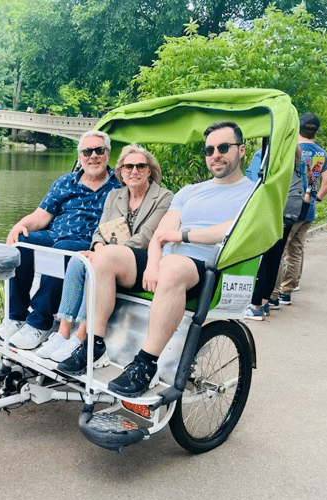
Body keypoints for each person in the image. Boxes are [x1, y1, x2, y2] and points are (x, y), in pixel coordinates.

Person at [57, 121, 256, 397]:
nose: (215, 155)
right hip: (166, 258)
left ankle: (145, 364)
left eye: (223, 148)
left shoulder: (253, 193)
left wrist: (183, 236)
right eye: (209, 149)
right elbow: (161, 235)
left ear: (241, 150)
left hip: (208, 265)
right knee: (105, 257)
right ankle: (94, 345)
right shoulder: (189, 192)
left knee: (173, 265)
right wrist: (152, 264)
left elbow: (232, 229)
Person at [0, 131, 120, 381]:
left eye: (99, 150)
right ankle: (16, 318)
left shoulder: (118, 184)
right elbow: (41, 217)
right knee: (22, 244)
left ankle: (40, 323)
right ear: (80, 156)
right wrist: (19, 226)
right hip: (56, 233)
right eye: (87, 152)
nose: (93, 156)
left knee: (63, 249)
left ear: (107, 153)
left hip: (88, 241)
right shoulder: (65, 182)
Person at [35, 144, 173, 362]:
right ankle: (63, 331)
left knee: (98, 264)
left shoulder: (164, 197)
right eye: (128, 166)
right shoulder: (115, 195)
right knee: (78, 259)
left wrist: (105, 253)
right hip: (110, 253)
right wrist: (98, 248)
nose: (134, 171)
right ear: (121, 171)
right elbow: (101, 230)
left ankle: (81, 336)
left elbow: (146, 236)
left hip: (141, 257)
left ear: (149, 170)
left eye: (140, 166)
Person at [269, 113, 327, 306]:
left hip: (290, 208)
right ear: (316, 130)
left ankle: (272, 294)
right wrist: (318, 198)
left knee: (279, 251)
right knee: (296, 250)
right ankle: (287, 292)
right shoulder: (320, 153)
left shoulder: (292, 149)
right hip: (308, 208)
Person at [244, 146, 304, 320]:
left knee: (260, 257)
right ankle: (264, 303)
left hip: (268, 210)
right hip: (289, 213)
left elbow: (252, 179)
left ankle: (255, 306)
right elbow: (305, 184)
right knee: (274, 257)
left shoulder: (264, 152)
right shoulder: (296, 152)